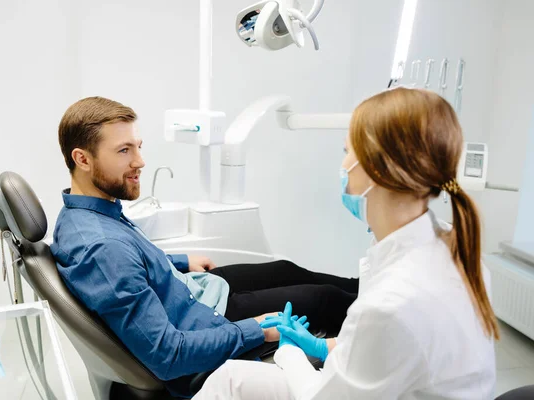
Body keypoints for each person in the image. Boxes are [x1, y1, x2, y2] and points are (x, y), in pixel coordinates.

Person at [193, 87, 499, 400]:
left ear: (377, 169)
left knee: (234, 380)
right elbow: (378, 349)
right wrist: (320, 346)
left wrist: (289, 354)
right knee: (233, 376)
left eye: (347, 153)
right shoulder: (454, 250)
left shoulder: (393, 301)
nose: (343, 167)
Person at [50, 96, 358, 398]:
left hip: (190, 289)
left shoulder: (84, 215)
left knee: (286, 269)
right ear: (83, 159)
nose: (140, 161)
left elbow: (128, 262)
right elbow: (167, 354)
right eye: (123, 150)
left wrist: (179, 261)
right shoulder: (102, 248)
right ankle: (382, 345)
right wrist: (257, 330)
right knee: (323, 300)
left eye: (138, 147)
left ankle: (367, 285)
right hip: (207, 321)